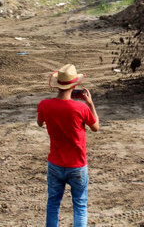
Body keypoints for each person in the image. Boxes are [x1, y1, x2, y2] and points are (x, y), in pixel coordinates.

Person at [37, 64, 99, 227]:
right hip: (77, 165)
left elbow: (39, 123)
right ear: (75, 85)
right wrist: (90, 104)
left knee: (53, 205)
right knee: (79, 206)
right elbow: (95, 127)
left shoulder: (45, 105)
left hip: (55, 164)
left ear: (58, 85)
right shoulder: (81, 108)